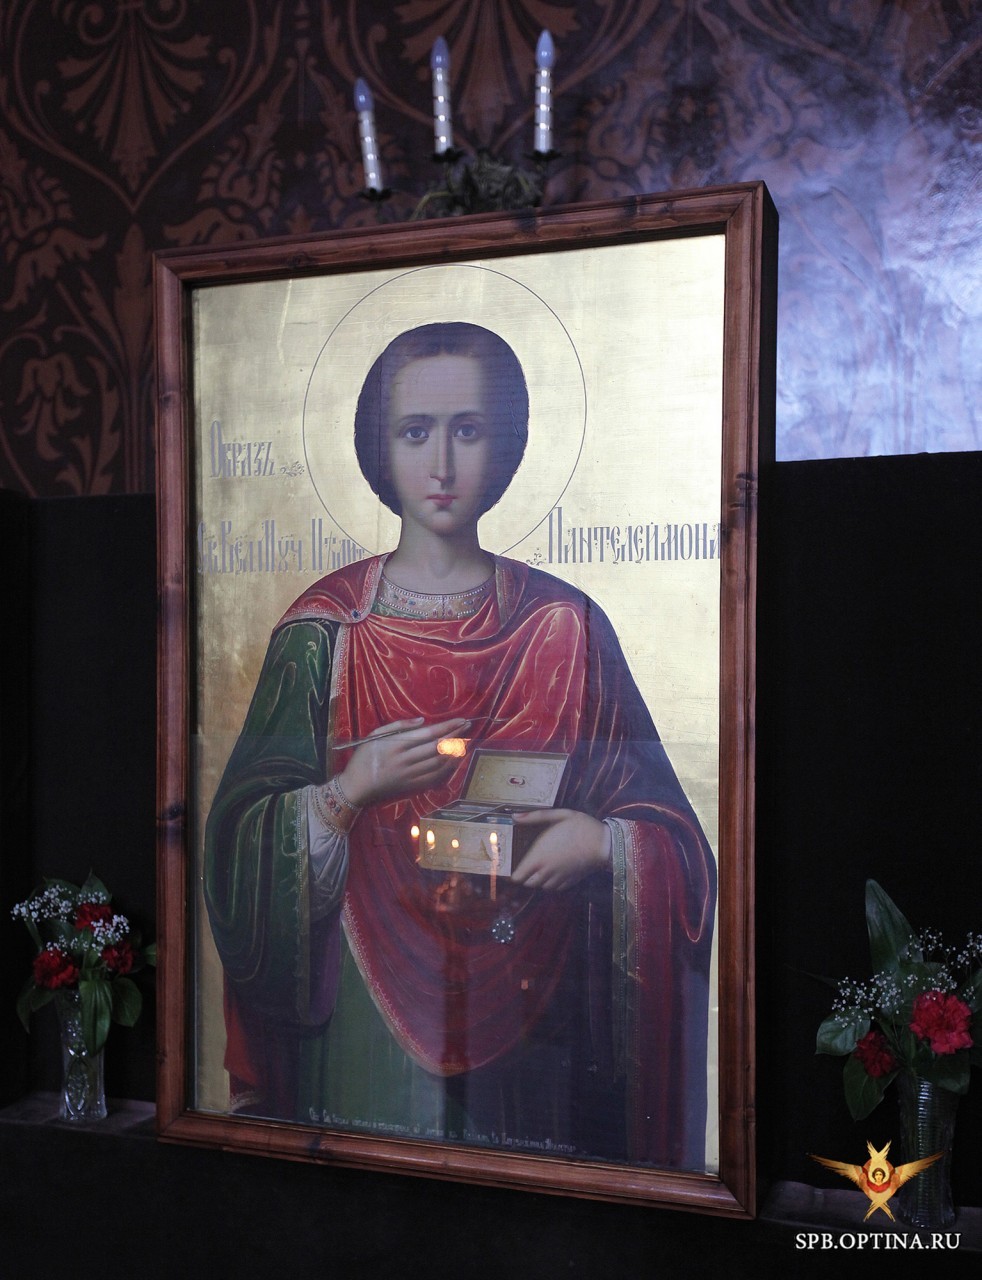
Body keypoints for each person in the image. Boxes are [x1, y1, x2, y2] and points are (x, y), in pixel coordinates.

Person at [204, 322, 716, 1169]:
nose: (441, 464)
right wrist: (344, 795)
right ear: (378, 447)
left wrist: (603, 846)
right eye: (416, 432)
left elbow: (677, 840)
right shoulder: (324, 633)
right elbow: (234, 848)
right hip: (361, 1012)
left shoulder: (569, 627)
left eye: (468, 430)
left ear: (507, 443)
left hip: (533, 1014)